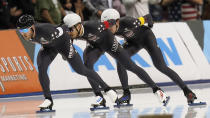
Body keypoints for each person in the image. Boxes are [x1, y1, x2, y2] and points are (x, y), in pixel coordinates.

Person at [63, 13, 170, 108]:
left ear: (78, 25)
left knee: (130, 66)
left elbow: (111, 22)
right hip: (95, 46)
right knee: (87, 66)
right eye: (68, 30)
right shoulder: (70, 32)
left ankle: (157, 90)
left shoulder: (94, 26)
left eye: (71, 29)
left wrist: (115, 22)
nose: (69, 32)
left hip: (109, 42)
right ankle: (100, 97)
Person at [16, 14, 118, 111]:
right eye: (21, 31)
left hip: (63, 44)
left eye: (25, 30)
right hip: (48, 47)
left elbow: (64, 28)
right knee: (41, 67)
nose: (23, 33)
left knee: (81, 69)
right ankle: (48, 99)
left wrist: (111, 22)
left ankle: (108, 89)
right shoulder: (26, 34)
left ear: (32, 27)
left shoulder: (47, 30)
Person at [100, 8, 198, 105]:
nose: (107, 27)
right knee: (120, 61)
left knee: (161, 66)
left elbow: (148, 17)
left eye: (110, 24)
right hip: (132, 42)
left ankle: (187, 91)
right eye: (105, 25)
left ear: (117, 21)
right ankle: (126, 94)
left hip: (147, 38)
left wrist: (150, 25)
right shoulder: (106, 29)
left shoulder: (129, 22)